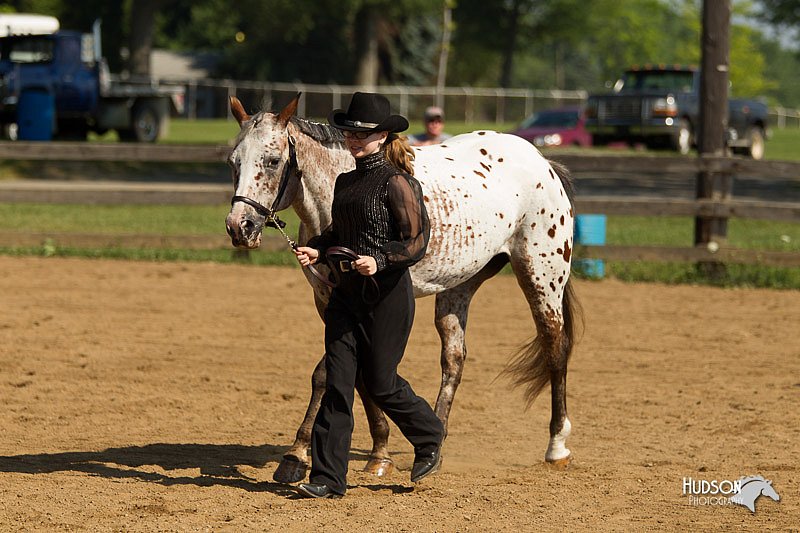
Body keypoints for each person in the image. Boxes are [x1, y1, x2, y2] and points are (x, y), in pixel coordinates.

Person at [292, 92, 444, 499]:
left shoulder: (399, 183)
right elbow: (338, 233)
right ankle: (327, 477)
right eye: (349, 133)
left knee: (380, 383)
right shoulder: (345, 182)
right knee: (339, 384)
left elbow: (417, 242)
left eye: (363, 134)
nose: (354, 140)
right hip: (346, 296)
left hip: (388, 297)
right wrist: (319, 249)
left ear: (382, 136)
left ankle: (429, 433)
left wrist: (380, 259)